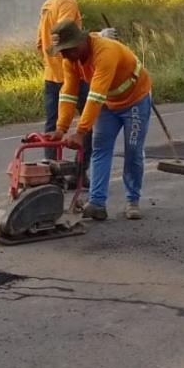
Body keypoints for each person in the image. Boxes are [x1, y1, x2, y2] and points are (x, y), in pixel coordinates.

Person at [43, 20, 153, 221]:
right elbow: (68, 93)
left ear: (80, 42)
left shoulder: (105, 53)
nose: (64, 56)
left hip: (135, 101)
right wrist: (61, 128)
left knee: (133, 150)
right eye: (61, 51)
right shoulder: (70, 61)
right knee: (100, 149)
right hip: (107, 104)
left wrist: (80, 132)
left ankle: (132, 200)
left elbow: (95, 96)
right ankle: (97, 203)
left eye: (67, 50)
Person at [38, 0, 92, 176]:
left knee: (53, 127)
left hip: (51, 74)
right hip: (71, 73)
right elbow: (66, 36)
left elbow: (40, 42)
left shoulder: (48, 4)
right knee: (87, 123)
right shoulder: (68, 3)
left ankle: (50, 173)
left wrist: (50, 61)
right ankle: (79, 172)